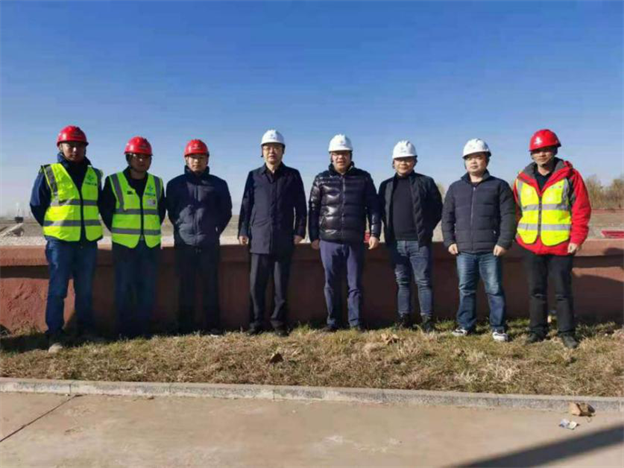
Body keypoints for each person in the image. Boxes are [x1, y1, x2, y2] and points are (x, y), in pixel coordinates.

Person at [513, 129, 591, 349]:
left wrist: (577, 238)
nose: (541, 154)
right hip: (530, 244)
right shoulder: (521, 179)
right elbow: (515, 210)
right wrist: (518, 235)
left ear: (555, 150)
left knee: (563, 292)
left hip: (561, 244)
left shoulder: (570, 176)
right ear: (531, 154)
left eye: (546, 149)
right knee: (535, 291)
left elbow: (581, 208)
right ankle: (537, 331)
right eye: (537, 151)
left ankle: (567, 332)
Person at [30, 125, 104, 353]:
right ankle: (55, 335)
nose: (75, 149)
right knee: (58, 290)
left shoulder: (94, 175)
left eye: (79, 145)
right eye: (70, 145)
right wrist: (55, 228)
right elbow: (37, 205)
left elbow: (99, 204)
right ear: (60, 147)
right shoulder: (49, 172)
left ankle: (86, 330)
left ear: (85, 148)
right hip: (60, 243)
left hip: (87, 242)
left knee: (85, 290)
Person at [442, 139, 516, 341]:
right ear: (464, 162)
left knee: (494, 289)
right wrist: (449, 241)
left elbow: (509, 216)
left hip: (491, 250)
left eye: (478, 157)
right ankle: (465, 325)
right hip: (464, 250)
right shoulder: (455, 188)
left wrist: (503, 242)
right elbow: (447, 217)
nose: (473, 162)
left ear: (486, 160)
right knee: (466, 289)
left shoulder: (499, 186)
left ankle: (498, 327)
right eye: (469, 158)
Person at [309, 134, 381, 332]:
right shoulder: (321, 178)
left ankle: (355, 323)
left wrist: (375, 233)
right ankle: (333, 322)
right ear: (331, 155)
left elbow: (373, 207)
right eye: (336, 153)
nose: (340, 157)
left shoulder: (363, 178)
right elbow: (313, 209)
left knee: (354, 284)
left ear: (350, 155)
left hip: (354, 240)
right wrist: (314, 236)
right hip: (328, 241)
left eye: (344, 153)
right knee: (330, 284)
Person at [238, 130, 307, 336]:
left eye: (276, 148)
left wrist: (299, 231)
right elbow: (246, 206)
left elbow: (301, 207)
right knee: (256, 286)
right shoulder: (253, 176)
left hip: (283, 239)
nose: (272, 151)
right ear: (262, 151)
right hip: (258, 240)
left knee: (280, 286)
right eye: (267, 148)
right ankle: (256, 324)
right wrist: (243, 230)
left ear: (283, 151)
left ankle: (279, 324)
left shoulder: (292, 175)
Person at [100, 136, 166, 338]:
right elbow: (106, 211)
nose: (142, 160)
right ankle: (124, 331)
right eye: (137, 156)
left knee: (147, 288)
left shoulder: (157, 183)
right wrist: (121, 231)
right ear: (128, 158)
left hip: (150, 244)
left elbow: (160, 211)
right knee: (124, 288)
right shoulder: (114, 181)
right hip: (124, 245)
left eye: (146, 157)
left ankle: (144, 330)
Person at [166, 139, 232, 335]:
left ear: (207, 160)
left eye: (201, 157)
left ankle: (213, 326)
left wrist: (213, 231)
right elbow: (171, 212)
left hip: (209, 244)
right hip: (184, 244)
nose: (197, 161)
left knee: (211, 286)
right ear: (186, 159)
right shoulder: (174, 184)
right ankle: (185, 327)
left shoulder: (218, 184)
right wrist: (182, 229)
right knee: (185, 286)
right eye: (193, 157)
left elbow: (226, 212)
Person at [378, 140, 442, 332]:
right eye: (399, 159)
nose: (403, 163)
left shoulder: (426, 182)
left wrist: (426, 230)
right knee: (402, 282)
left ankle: (427, 320)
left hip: (419, 242)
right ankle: (404, 318)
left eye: (407, 159)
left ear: (414, 161)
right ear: (393, 162)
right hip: (395, 243)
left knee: (423, 282)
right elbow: (380, 211)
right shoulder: (386, 186)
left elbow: (437, 209)